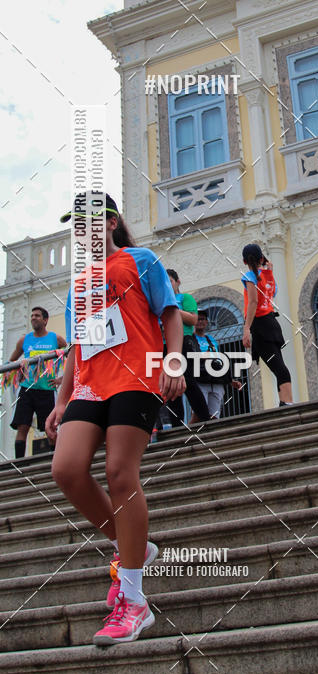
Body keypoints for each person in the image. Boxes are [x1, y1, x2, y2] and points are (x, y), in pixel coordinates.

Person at [46, 192, 185, 646]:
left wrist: (174, 362)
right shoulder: (77, 286)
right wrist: (62, 400)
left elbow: (170, 315)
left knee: (120, 472)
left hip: (137, 377)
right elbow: (77, 348)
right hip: (90, 383)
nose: (83, 232)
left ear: (109, 222)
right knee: (66, 469)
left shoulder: (140, 260)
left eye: (89, 222)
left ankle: (133, 599)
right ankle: (135, 547)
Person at [154, 270, 210, 431]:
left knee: (188, 381)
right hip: (164, 345)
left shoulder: (185, 299)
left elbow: (193, 319)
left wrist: (172, 310)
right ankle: (176, 424)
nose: (167, 284)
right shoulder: (158, 302)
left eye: (170, 281)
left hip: (183, 342)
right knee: (170, 385)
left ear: (178, 282)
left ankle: (205, 417)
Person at [9, 307, 67, 458]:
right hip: (27, 389)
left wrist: (61, 379)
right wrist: (18, 373)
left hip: (47, 389)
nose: (33, 318)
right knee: (22, 426)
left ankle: (54, 459)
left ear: (45, 320)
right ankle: (19, 465)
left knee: (50, 427)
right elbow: (11, 362)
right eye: (32, 315)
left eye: (37, 316)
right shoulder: (24, 340)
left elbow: (72, 355)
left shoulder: (56, 339)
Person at [241, 243, 293, 407]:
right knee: (278, 366)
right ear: (261, 258)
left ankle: (288, 402)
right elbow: (274, 292)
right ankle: (284, 401)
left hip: (260, 326)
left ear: (244, 261)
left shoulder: (250, 276)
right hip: (272, 324)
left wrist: (246, 328)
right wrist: (268, 268)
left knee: (279, 367)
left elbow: (253, 302)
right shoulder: (269, 276)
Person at [193, 309, 242, 419]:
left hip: (216, 381)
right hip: (199, 381)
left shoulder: (211, 339)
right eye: (197, 319)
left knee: (214, 416)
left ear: (206, 322)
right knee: (199, 414)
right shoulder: (189, 339)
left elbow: (218, 361)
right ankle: (188, 435)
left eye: (203, 319)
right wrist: (201, 357)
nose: (200, 321)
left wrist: (230, 380)